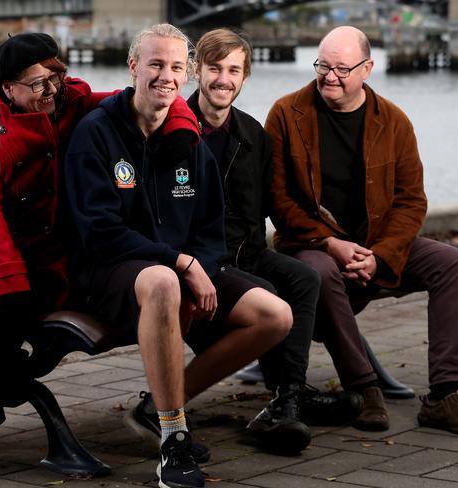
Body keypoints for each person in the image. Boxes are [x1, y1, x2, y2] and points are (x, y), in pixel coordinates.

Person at [0, 32, 201, 470]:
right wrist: (6, 275)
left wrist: (182, 127)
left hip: (49, 252)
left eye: (56, 77)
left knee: (0, 319)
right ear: (7, 88)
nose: (51, 90)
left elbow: (152, 96)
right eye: (38, 84)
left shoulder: (74, 102)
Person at [65, 23, 293, 488]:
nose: (165, 76)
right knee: (165, 282)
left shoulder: (189, 139)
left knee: (274, 315)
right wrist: (181, 264)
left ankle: (154, 408)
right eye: (154, 64)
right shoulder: (97, 134)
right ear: (133, 68)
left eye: (175, 66)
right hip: (109, 270)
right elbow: (101, 231)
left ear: (186, 74)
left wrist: (201, 268)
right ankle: (173, 439)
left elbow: (210, 227)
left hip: (179, 270)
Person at [265, 25, 458, 434]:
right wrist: (332, 244)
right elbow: (278, 199)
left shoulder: (395, 122)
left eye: (341, 69)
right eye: (323, 66)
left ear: (367, 68)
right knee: (321, 270)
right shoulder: (286, 114)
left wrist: (381, 255)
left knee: (452, 263)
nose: (329, 76)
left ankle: (444, 395)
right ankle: (364, 387)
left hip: (378, 243)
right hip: (311, 244)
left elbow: (411, 201)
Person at [185, 27, 362, 455]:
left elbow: (278, 205)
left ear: (245, 77)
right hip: (205, 264)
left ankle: (288, 398)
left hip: (250, 253)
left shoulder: (253, 135)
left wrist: (328, 240)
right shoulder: (176, 131)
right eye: (214, 68)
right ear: (196, 72)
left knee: (303, 277)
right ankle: (286, 400)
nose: (223, 79)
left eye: (234, 70)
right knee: (267, 294)